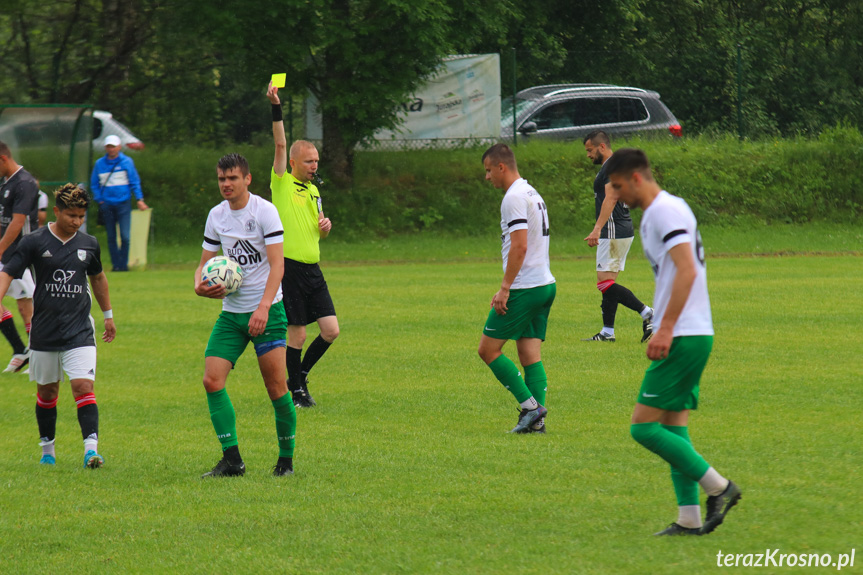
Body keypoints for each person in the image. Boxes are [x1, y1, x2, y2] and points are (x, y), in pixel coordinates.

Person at [604, 148, 741, 536]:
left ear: (636, 178)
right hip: (693, 332)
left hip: (684, 333)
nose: (615, 195)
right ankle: (689, 518)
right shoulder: (661, 212)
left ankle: (719, 487)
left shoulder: (664, 211)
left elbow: (687, 269)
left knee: (643, 428)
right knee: (673, 426)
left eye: (617, 186)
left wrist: (664, 328)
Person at [195, 152, 296, 478]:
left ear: (247, 179)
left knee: (277, 388)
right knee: (212, 380)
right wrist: (199, 285)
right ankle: (232, 460)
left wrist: (264, 307)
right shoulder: (216, 215)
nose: (226, 184)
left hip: (268, 312)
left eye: (232, 178)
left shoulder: (264, 211)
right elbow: (204, 263)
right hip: (232, 315)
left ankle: (286, 460)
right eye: (222, 179)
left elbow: (278, 265)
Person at [0, 183, 116, 468]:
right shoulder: (35, 242)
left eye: (81, 216)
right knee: (47, 392)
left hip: (79, 330)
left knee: (82, 385)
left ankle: (91, 450)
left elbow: (98, 278)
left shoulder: (88, 244)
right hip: (45, 331)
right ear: (57, 211)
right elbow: (9, 272)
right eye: (71, 215)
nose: (76, 221)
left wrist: (108, 315)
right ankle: (47, 451)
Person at [267, 83, 339, 408]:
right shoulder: (281, 183)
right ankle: (295, 391)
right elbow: (280, 142)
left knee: (330, 330)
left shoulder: (314, 191)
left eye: (317, 161)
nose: (314, 165)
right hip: (290, 268)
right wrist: (276, 106)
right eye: (309, 161)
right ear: (294, 162)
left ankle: (301, 377)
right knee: (296, 333)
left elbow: (320, 230)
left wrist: (325, 227)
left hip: (313, 269)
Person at [478, 143, 556, 434]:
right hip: (545, 283)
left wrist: (505, 288)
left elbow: (520, 245)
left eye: (488, 170)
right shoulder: (531, 191)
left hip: (525, 287)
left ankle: (531, 408)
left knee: (487, 350)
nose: (487, 177)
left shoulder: (512, 197)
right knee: (529, 356)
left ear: (502, 167)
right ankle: (537, 425)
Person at [582, 130, 654, 343]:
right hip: (618, 229)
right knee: (608, 283)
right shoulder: (612, 166)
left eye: (589, 150)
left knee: (604, 283)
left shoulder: (611, 167)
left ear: (602, 147)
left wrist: (597, 229)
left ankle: (648, 312)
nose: (588, 155)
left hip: (613, 229)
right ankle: (607, 332)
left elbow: (611, 199)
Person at [0, 140, 38, 373]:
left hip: (22, 254)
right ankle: (21, 350)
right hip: (7, 254)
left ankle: (35, 354)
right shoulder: (5, 182)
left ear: (3, 159)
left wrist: (1, 247)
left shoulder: (25, 183)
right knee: (23, 306)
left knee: (27, 308)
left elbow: (18, 221)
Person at [90, 134, 148, 272]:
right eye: (109, 146)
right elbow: (94, 184)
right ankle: (116, 265)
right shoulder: (99, 164)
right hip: (107, 204)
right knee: (111, 236)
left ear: (119, 147)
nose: (111, 149)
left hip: (123, 203)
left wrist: (139, 199)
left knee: (125, 236)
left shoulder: (127, 162)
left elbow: (134, 181)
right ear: (106, 148)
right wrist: (100, 199)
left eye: (113, 146)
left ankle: (123, 264)